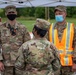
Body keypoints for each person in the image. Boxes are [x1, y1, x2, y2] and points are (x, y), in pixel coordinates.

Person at [0, 5, 31, 75]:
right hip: (6, 64)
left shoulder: (22, 28)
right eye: (9, 13)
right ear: (6, 14)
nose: (11, 14)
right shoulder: (1, 28)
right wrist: (0, 61)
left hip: (20, 63)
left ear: (16, 13)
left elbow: (28, 45)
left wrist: (27, 61)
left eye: (12, 12)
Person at [48, 5, 76, 75]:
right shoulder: (50, 27)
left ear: (65, 14)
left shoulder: (72, 28)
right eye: (56, 14)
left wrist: (75, 62)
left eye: (60, 13)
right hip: (54, 64)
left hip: (68, 66)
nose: (58, 15)